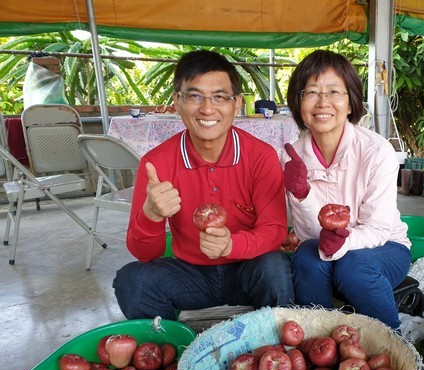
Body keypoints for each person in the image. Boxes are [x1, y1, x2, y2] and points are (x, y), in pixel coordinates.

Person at [113, 50, 294, 320]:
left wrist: (231, 245)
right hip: (190, 275)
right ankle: (173, 353)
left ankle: (275, 350)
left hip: (247, 268)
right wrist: (150, 215)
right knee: (132, 280)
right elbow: (144, 253)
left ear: (237, 104)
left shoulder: (260, 156)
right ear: (176, 101)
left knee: (275, 267)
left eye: (220, 97)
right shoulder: (156, 163)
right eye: (194, 96)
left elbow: (275, 230)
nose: (207, 109)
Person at [282, 50, 412, 330]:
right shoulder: (294, 158)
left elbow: (378, 228)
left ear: (351, 102)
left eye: (334, 92)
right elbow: (307, 236)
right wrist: (302, 192)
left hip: (386, 246)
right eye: (311, 92)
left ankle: (395, 344)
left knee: (353, 266)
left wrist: (344, 243)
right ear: (298, 102)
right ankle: (318, 341)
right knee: (306, 258)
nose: (323, 102)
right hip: (324, 246)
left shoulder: (377, 151)